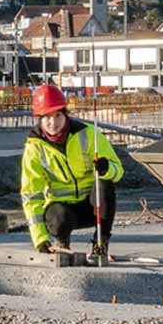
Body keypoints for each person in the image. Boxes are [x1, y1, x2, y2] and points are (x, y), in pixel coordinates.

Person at [20, 82, 124, 257]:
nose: (53, 123)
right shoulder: (34, 148)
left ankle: (101, 243)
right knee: (59, 219)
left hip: (91, 208)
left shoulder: (88, 134)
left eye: (58, 115)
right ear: (40, 119)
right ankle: (62, 243)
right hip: (62, 212)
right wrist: (40, 238)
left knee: (105, 185)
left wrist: (106, 169)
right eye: (47, 117)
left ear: (65, 115)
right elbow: (31, 194)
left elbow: (118, 171)